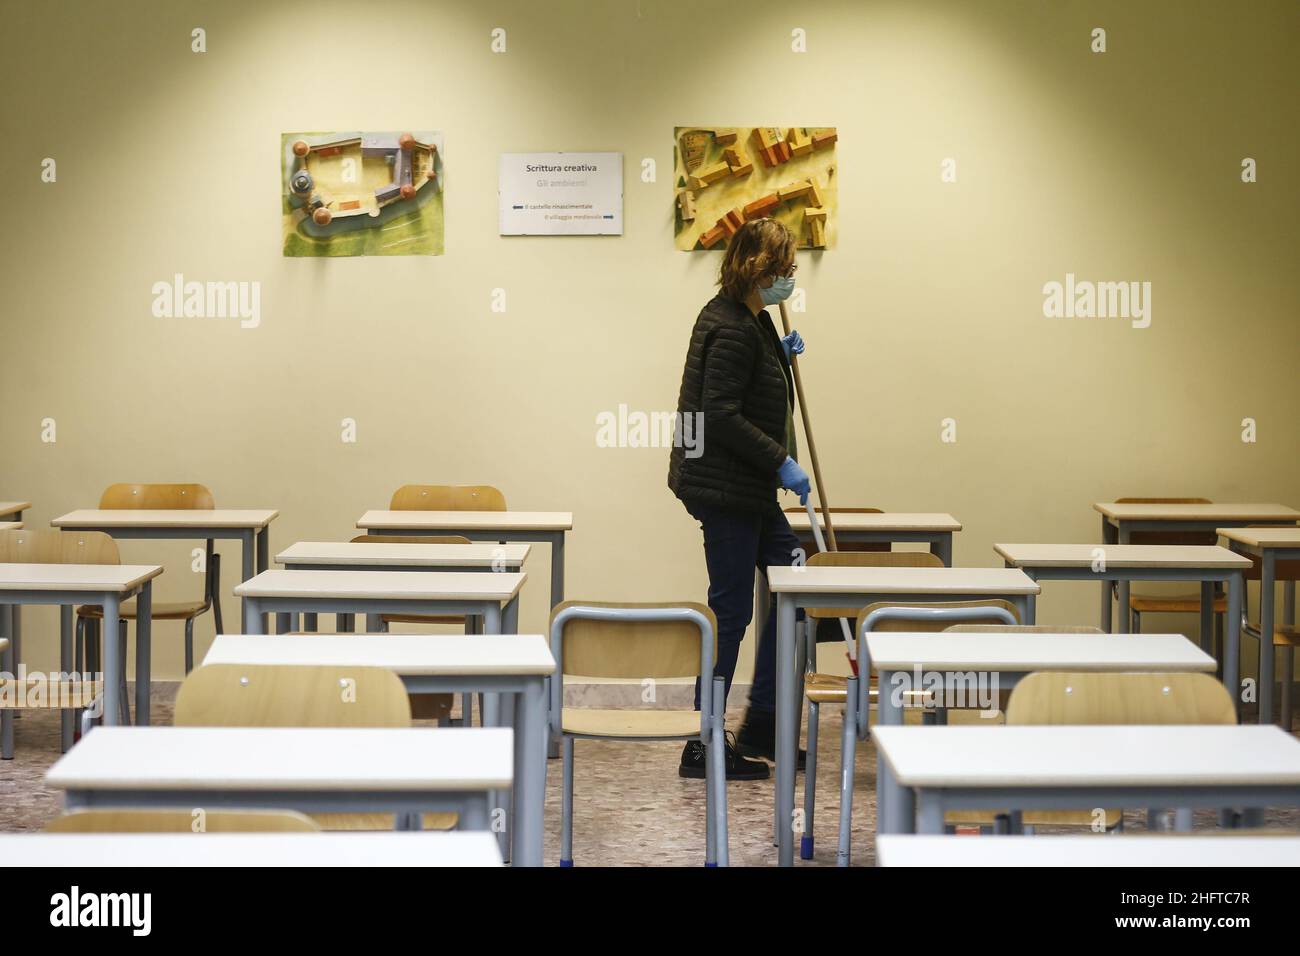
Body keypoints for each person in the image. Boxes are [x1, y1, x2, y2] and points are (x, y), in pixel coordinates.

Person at [667, 217, 811, 781]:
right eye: (785, 270)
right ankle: (703, 743)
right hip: (726, 489)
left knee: (793, 585)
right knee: (731, 611)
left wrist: (780, 352)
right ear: (759, 268)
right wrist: (780, 461)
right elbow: (720, 415)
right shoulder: (729, 325)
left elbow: (749, 384)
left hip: (746, 489)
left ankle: (763, 725)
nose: (790, 279)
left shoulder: (751, 318)